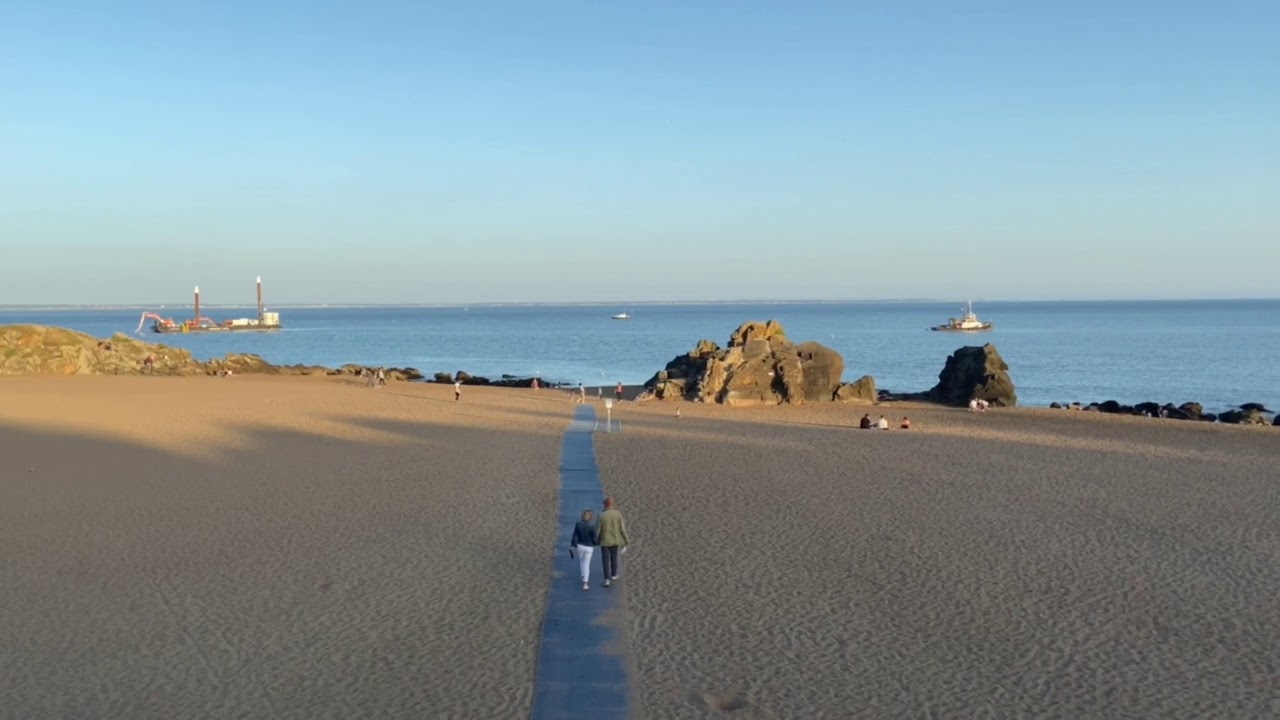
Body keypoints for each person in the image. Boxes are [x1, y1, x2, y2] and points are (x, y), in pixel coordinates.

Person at [596, 497, 630, 587]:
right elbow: (622, 529)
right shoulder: (618, 514)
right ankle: (614, 574)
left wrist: (595, 540)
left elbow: (597, 530)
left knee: (605, 560)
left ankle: (606, 579)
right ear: (612, 504)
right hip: (615, 540)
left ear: (606, 505)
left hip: (604, 541)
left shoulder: (601, 515)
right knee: (614, 558)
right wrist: (626, 540)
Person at [570, 509, 599, 591]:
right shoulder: (592, 526)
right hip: (589, 547)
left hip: (580, 546)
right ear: (590, 517)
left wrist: (572, 545)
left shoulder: (578, 524)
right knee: (587, 563)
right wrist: (597, 543)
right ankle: (585, 582)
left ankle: (583, 576)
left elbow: (575, 535)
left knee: (582, 562)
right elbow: (594, 538)